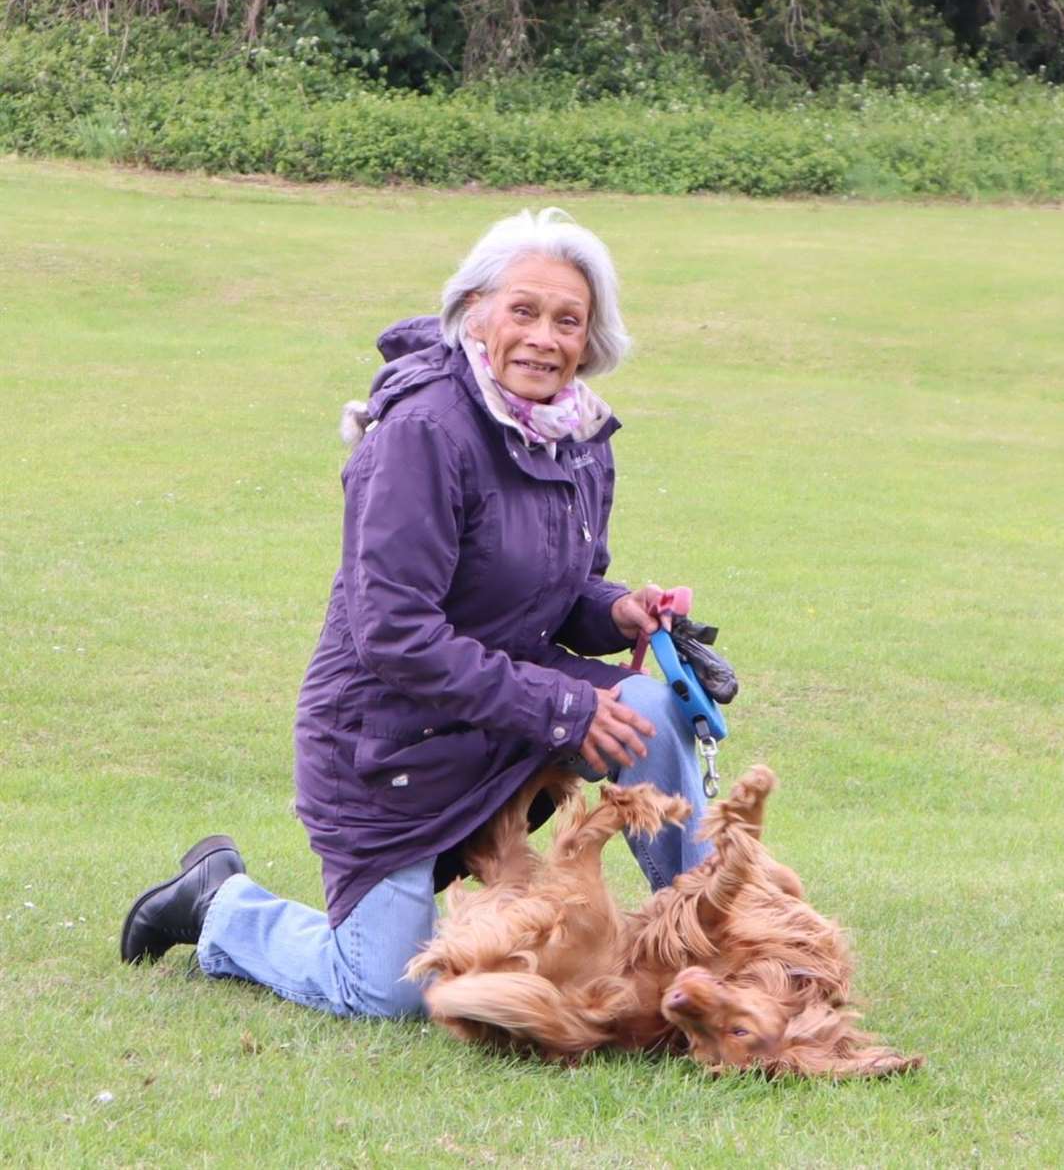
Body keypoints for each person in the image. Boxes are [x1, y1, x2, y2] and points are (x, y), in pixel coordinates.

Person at [121, 209, 712, 1018]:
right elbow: (396, 635)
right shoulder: (426, 429)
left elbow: (557, 589)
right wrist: (567, 706)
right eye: (524, 310)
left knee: (648, 707)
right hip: (387, 741)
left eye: (567, 320)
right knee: (383, 992)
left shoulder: (578, 436)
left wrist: (619, 613)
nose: (545, 337)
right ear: (475, 310)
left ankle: (710, 934)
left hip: (501, 717)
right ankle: (222, 904)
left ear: (591, 336)